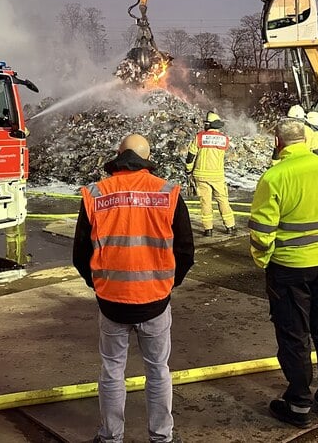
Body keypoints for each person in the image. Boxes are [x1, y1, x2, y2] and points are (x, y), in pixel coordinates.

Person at [73, 133, 194, 443]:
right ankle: (161, 437)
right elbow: (185, 250)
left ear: (119, 154)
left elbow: (79, 255)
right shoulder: (167, 193)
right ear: (147, 158)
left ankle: (111, 437)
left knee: (112, 371)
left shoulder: (95, 194)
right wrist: (167, 284)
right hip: (155, 300)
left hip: (111, 301)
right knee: (158, 371)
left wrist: (100, 284)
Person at [249, 118, 318, 427]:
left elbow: (262, 232)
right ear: (307, 141)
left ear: (278, 143)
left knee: (294, 336)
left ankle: (298, 404)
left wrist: (263, 260)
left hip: (289, 268)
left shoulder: (275, 177)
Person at [185, 111, 236, 236]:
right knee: (223, 200)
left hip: (200, 175)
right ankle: (230, 226)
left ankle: (208, 229)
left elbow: (191, 155)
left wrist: (188, 169)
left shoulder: (199, 137)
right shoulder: (225, 139)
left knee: (205, 202)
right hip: (217, 175)